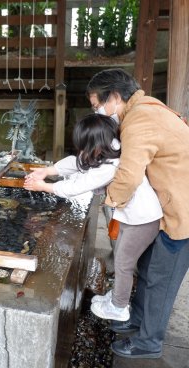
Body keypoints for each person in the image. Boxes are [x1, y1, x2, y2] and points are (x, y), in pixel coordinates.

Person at [86, 68, 189, 359]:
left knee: (161, 280)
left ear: (115, 97)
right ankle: (137, 320)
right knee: (146, 270)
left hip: (183, 214)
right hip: (169, 208)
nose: (99, 112)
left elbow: (129, 175)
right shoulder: (145, 110)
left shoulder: (139, 121)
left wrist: (109, 201)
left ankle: (149, 342)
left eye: (98, 105)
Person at [24, 113, 162, 321]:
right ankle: (117, 298)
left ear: (96, 145)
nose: (82, 152)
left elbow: (77, 186)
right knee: (123, 258)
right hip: (132, 217)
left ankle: (119, 307)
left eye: (84, 147)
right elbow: (77, 162)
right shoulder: (111, 147)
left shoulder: (109, 167)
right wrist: (47, 170)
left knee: (124, 263)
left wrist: (44, 186)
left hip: (142, 221)